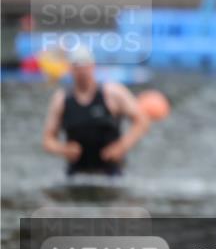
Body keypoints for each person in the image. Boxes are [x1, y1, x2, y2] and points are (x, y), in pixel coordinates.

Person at [41, 46, 150, 177]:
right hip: (77, 175)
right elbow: (47, 140)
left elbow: (142, 121)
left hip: (111, 173)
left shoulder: (113, 93)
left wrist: (121, 147)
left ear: (93, 66)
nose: (81, 72)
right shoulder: (61, 99)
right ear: (70, 69)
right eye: (77, 67)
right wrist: (64, 150)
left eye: (84, 66)